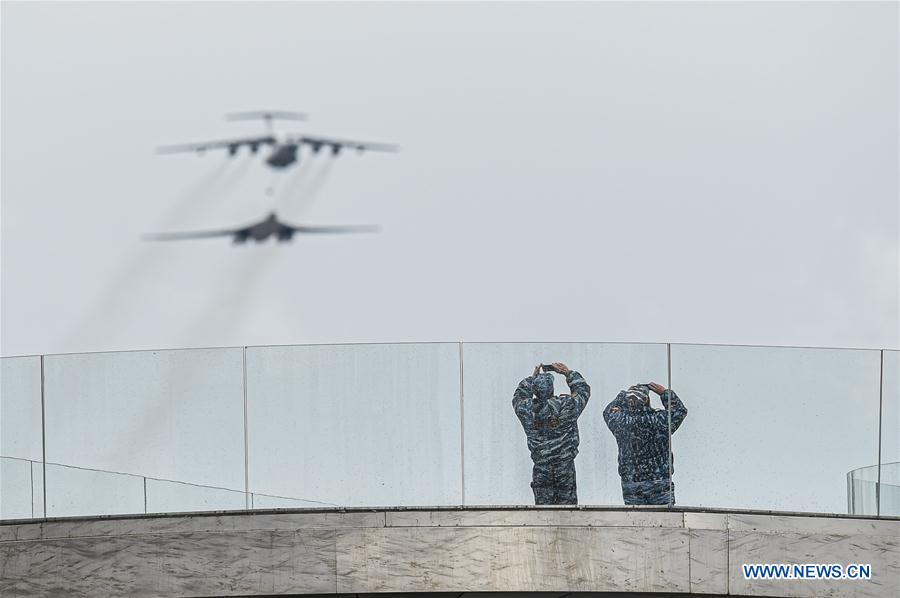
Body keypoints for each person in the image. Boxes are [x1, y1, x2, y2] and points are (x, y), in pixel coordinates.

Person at [512, 362, 591, 505]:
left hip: (541, 468)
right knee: (568, 513)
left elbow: (518, 396)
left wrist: (532, 378)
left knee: (544, 513)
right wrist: (567, 372)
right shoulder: (567, 405)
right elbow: (583, 390)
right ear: (552, 388)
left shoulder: (526, 409)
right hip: (564, 467)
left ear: (535, 390)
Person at [603, 382, 687, 505]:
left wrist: (623, 395)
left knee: (636, 520)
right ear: (646, 400)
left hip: (632, 482)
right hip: (660, 481)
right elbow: (679, 411)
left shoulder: (621, 422)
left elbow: (607, 412)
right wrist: (665, 393)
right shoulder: (659, 420)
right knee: (664, 520)